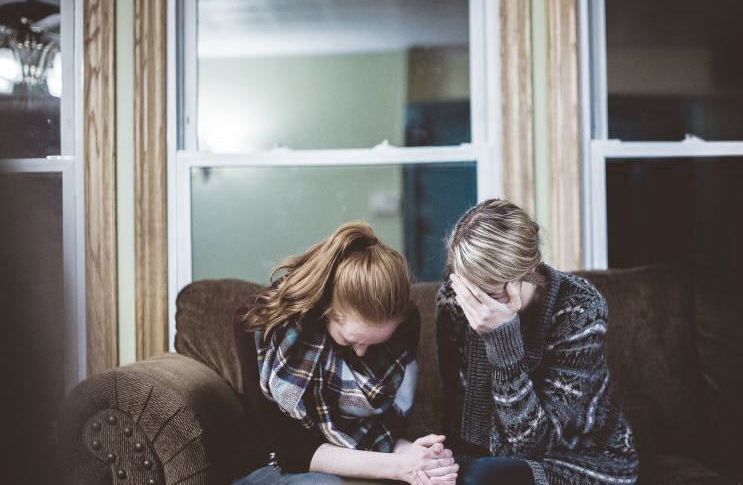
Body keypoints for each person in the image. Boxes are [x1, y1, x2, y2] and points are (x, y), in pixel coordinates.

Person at [233, 222, 458, 484]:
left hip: (357, 461)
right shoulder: (258, 323)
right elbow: (292, 452)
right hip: (271, 464)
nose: (362, 354)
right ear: (325, 308)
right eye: (350, 341)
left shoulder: (405, 325)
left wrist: (417, 457)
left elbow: (385, 432)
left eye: (374, 344)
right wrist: (398, 467)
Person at [436, 199, 640, 485]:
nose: (477, 306)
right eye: (470, 291)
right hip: (486, 461)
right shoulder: (454, 300)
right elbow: (457, 415)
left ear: (527, 273)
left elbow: (530, 447)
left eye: (491, 294)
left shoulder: (581, 308)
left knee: (480, 477)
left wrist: (502, 339)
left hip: (582, 460)